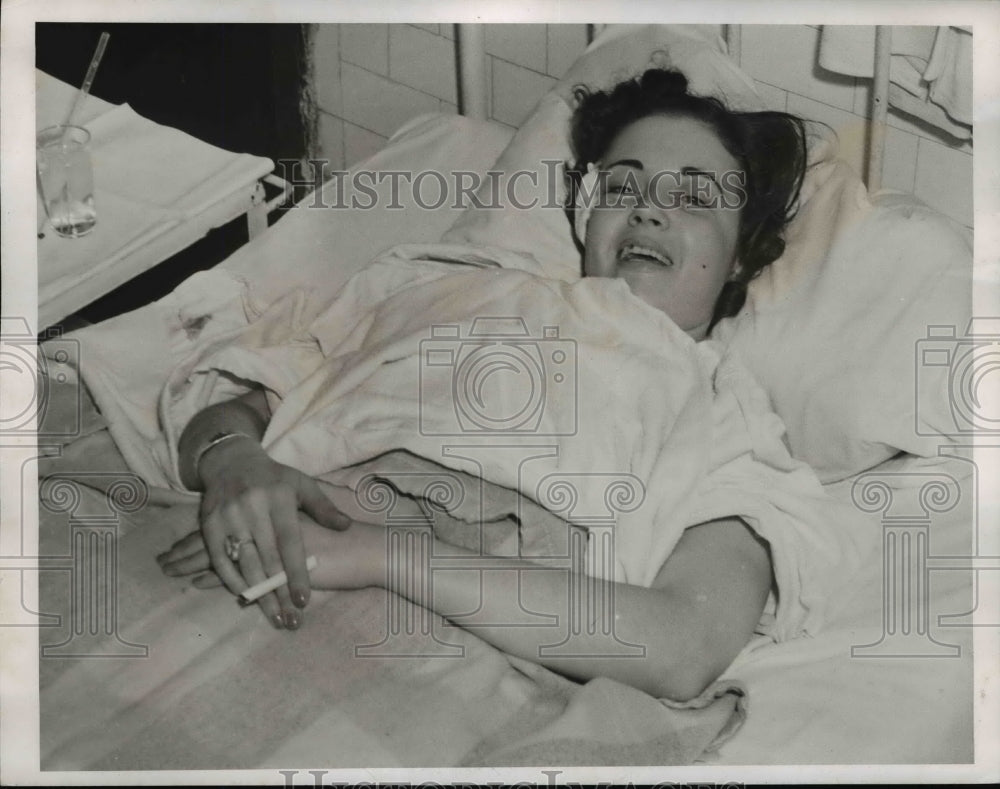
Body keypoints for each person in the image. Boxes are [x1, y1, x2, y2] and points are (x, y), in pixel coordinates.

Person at [157, 68, 809, 701]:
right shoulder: (444, 286)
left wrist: (378, 554)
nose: (648, 212)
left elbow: (683, 643)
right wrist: (233, 461)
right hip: (256, 544)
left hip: (445, 645)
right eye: (621, 187)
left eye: (693, 198)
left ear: (744, 254)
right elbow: (237, 407)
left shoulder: (727, 416)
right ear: (584, 214)